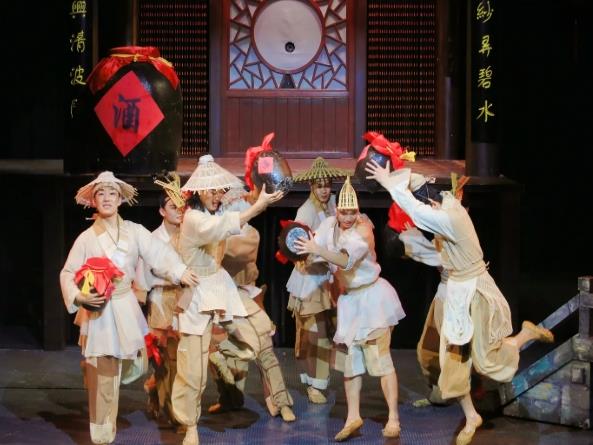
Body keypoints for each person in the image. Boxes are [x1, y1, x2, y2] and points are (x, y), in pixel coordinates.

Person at [365, 162, 555, 445]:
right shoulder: (445, 203)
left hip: (476, 292)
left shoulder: (452, 218)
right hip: (455, 292)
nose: (429, 209)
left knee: (487, 362)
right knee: (450, 357)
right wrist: (396, 176)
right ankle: (470, 415)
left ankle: (525, 335)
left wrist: (388, 183)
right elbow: (419, 190)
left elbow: (417, 210)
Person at [60, 171, 198, 445]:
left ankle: (97, 377)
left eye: (112, 193)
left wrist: (179, 270)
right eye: (101, 193)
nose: (107, 198)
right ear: (93, 201)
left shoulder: (134, 231)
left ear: (120, 199)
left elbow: (158, 253)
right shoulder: (87, 238)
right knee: (104, 373)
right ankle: (102, 434)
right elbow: (67, 272)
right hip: (100, 310)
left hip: (125, 305)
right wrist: (78, 296)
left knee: (137, 363)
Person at [171, 155, 285, 445]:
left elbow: (233, 218)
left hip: (219, 284)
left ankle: (221, 348)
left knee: (254, 338)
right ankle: (190, 425)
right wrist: (258, 207)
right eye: (211, 191)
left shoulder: (215, 212)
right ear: (198, 192)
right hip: (197, 291)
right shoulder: (193, 218)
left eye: (220, 191)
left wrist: (258, 198)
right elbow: (221, 228)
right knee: (193, 372)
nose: (217, 196)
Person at [295, 176, 406, 441]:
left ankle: (393, 417)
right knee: (350, 365)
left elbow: (344, 261)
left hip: (372, 300)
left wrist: (317, 248)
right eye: (343, 212)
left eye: (352, 212)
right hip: (349, 303)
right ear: (336, 210)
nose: (347, 217)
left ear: (358, 211)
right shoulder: (329, 225)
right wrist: (300, 250)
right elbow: (313, 247)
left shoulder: (363, 231)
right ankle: (352, 416)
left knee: (381, 362)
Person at [205, 185, 296, 422]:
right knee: (215, 352)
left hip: (245, 298)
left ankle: (281, 402)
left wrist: (214, 237)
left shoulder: (250, 234)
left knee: (264, 350)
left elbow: (235, 253)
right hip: (221, 298)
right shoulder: (216, 231)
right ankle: (230, 398)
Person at [286, 157, 349, 404]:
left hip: (329, 277)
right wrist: (312, 256)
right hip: (310, 279)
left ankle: (324, 379)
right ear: (311, 186)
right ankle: (313, 383)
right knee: (312, 335)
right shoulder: (306, 211)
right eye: (319, 186)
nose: (324, 190)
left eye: (327, 185)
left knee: (330, 332)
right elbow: (294, 247)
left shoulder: (333, 204)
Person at [135, 173, 187, 431]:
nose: (179, 210)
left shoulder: (189, 236)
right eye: (172, 206)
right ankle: (171, 412)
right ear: (161, 211)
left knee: (180, 360)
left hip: (184, 299)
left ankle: (167, 401)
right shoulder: (153, 239)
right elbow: (142, 277)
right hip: (161, 300)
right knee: (164, 360)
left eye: (181, 206)